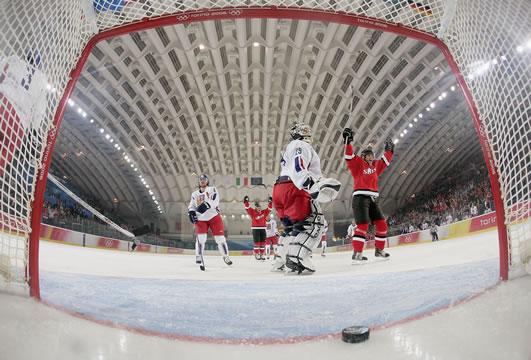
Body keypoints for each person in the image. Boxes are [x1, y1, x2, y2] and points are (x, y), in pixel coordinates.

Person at [271, 123, 340, 274]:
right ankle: (297, 256)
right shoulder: (299, 144)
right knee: (315, 223)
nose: (307, 132)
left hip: (280, 188)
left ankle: (280, 259)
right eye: (303, 130)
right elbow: (299, 167)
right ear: (296, 133)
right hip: (295, 188)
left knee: (291, 228)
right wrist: (313, 188)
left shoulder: (291, 146)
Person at [342, 127, 394, 263]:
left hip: (373, 199)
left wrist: (389, 150)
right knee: (363, 225)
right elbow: (349, 156)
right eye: (369, 155)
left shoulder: (376, 166)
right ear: (363, 157)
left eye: (372, 155)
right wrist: (347, 142)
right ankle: (357, 253)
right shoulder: (358, 164)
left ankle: (379, 250)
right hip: (360, 198)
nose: (372, 156)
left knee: (382, 225)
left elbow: (386, 161)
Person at [188, 174, 232, 267]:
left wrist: (206, 205)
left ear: (207, 181)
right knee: (201, 239)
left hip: (214, 217)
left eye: (204, 179)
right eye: (201, 179)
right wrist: (191, 212)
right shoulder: (194, 194)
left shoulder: (212, 189)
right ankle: (199, 256)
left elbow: (215, 201)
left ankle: (226, 256)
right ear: (199, 182)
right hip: (201, 219)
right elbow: (192, 206)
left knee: (220, 239)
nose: (202, 181)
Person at [244, 196, 272, 261]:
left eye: (260, 207)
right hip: (255, 229)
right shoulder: (252, 212)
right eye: (258, 207)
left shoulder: (264, 212)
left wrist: (270, 202)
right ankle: (257, 254)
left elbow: (269, 209)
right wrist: (246, 201)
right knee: (257, 243)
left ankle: (262, 254)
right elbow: (247, 208)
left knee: (263, 243)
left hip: (263, 229)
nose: (259, 208)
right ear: (256, 208)